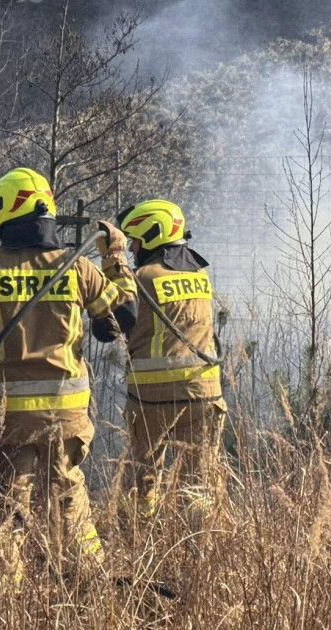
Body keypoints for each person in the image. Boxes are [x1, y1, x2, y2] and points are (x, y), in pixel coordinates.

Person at [0, 167, 136, 571]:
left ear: (5, 214)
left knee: (6, 511)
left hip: (11, 420)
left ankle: (3, 595)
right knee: (69, 504)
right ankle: (91, 586)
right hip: (67, 417)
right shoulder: (77, 267)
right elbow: (121, 320)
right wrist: (115, 256)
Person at [115, 199, 226, 516]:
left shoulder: (143, 277)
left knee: (140, 482)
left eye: (135, 241)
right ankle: (197, 542)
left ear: (152, 236)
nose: (132, 248)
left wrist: (113, 266)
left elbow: (116, 321)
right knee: (198, 485)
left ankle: (137, 535)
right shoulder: (200, 275)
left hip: (153, 399)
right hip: (204, 395)